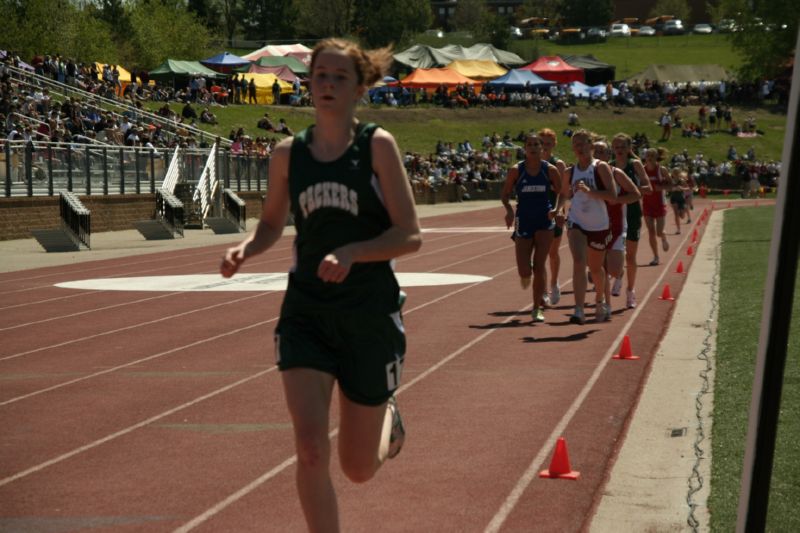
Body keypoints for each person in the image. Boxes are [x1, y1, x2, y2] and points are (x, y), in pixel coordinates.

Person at [220, 38, 421, 532]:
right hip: (307, 313)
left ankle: (386, 423)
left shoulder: (376, 147)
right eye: (320, 76)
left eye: (339, 77)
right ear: (308, 83)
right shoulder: (289, 154)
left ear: (359, 88)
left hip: (368, 316)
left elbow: (409, 235)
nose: (327, 85)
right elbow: (271, 224)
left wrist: (354, 252)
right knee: (310, 449)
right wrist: (246, 248)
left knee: (356, 469)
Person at [501, 133, 563, 323]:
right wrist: (509, 211)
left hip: (544, 221)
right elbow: (504, 195)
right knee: (524, 270)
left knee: (539, 265)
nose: (534, 147)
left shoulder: (550, 170)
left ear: (542, 148)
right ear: (525, 149)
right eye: (530, 144)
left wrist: (557, 209)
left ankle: (536, 308)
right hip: (524, 220)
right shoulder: (516, 171)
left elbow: (562, 192)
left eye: (537, 144)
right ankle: (525, 275)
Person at [563, 130, 617, 324]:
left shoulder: (600, 168)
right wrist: (556, 209)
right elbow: (564, 195)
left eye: (583, 143)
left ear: (591, 146)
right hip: (576, 221)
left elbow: (613, 196)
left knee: (596, 269)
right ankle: (578, 310)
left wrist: (590, 191)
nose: (579, 147)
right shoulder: (570, 172)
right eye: (576, 144)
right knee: (579, 261)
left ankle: (600, 300)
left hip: (599, 225)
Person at [594, 140, 641, 318]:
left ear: (608, 155)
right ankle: (604, 303)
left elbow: (636, 194)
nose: (598, 155)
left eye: (602, 152)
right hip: (594, 227)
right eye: (596, 151)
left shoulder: (616, 173)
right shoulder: (587, 173)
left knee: (612, 269)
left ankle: (622, 277)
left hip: (617, 226)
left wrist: (616, 200)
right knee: (599, 269)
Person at [611, 133, 651, 308]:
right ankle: (618, 274)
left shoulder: (635, 165)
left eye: (622, 147)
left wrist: (630, 191)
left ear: (629, 148)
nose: (619, 150)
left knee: (631, 256)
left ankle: (630, 291)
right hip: (614, 214)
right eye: (616, 147)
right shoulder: (609, 166)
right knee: (614, 253)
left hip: (632, 213)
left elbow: (648, 188)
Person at [538, 128, 567, 305]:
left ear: (554, 144)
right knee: (539, 255)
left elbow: (563, 191)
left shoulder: (558, 164)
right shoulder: (532, 163)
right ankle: (543, 291)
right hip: (536, 212)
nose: (545, 147)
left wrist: (560, 210)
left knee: (553, 253)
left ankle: (554, 283)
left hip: (554, 212)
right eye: (542, 143)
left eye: (548, 143)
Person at [641, 147, 671, 265]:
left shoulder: (661, 170)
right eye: (648, 156)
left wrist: (661, 188)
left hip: (659, 204)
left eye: (652, 156)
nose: (649, 158)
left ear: (656, 157)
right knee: (651, 232)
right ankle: (656, 257)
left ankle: (663, 237)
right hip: (647, 205)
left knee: (658, 232)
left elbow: (670, 185)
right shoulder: (642, 170)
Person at [668, 167, 690, 233]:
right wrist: (673, 189)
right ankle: (678, 229)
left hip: (681, 199)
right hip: (674, 198)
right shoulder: (671, 181)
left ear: (679, 174)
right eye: (674, 173)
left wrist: (682, 188)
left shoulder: (682, 181)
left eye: (677, 173)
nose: (676, 174)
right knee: (676, 214)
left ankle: (684, 210)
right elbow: (667, 188)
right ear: (673, 174)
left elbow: (688, 188)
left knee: (682, 216)